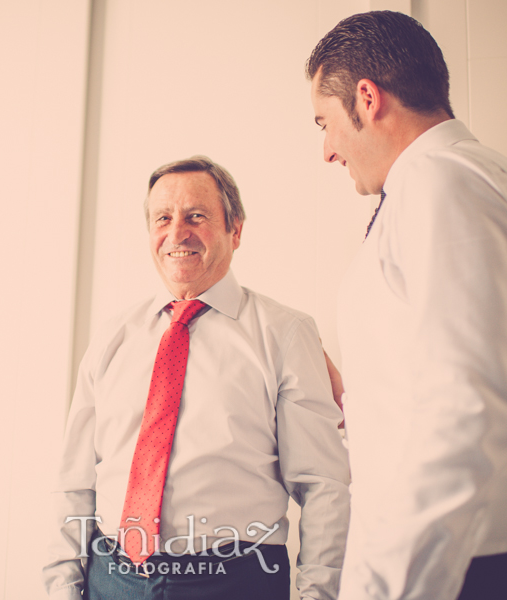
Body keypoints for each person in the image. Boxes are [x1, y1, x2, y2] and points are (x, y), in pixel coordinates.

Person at [305, 10, 507, 600]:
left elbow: (467, 406)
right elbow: (449, 375)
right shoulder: (434, 185)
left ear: (368, 99)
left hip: (464, 561)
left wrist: (394, 587)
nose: (327, 150)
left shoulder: (444, 182)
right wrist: (359, 396)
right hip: (456, 552)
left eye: (324, 122)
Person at [43, 156, 350, 600]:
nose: (176, 233)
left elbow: (323, 485)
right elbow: (75, 481)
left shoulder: (285, 334)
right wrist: (61, 589)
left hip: (235, 582)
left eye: (196, 216)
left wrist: (318, 595)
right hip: (109, 579)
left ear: (236, 230)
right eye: (162, 218)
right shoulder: (112, 336)